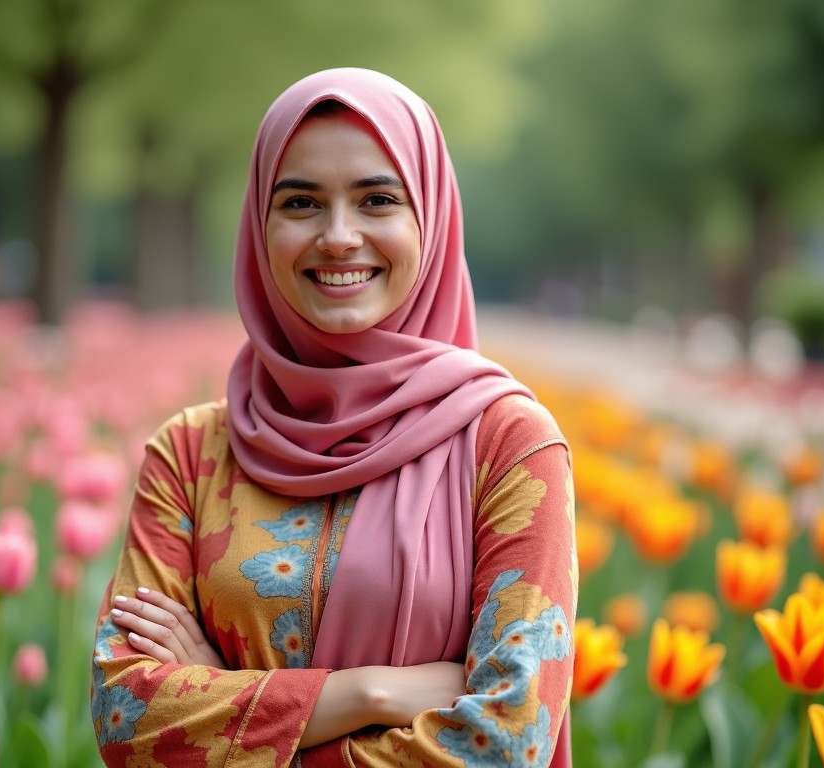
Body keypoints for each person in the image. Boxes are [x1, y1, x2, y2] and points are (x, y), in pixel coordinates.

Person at [91, 67, 576, 767]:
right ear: (260, 225)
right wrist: (373, 693)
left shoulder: (508, 446)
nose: (338, 236)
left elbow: (507, 737)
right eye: (300, 203)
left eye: (377, 199)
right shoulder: (192, 453)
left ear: (431, 218)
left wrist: (237, 705)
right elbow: (126, 717)